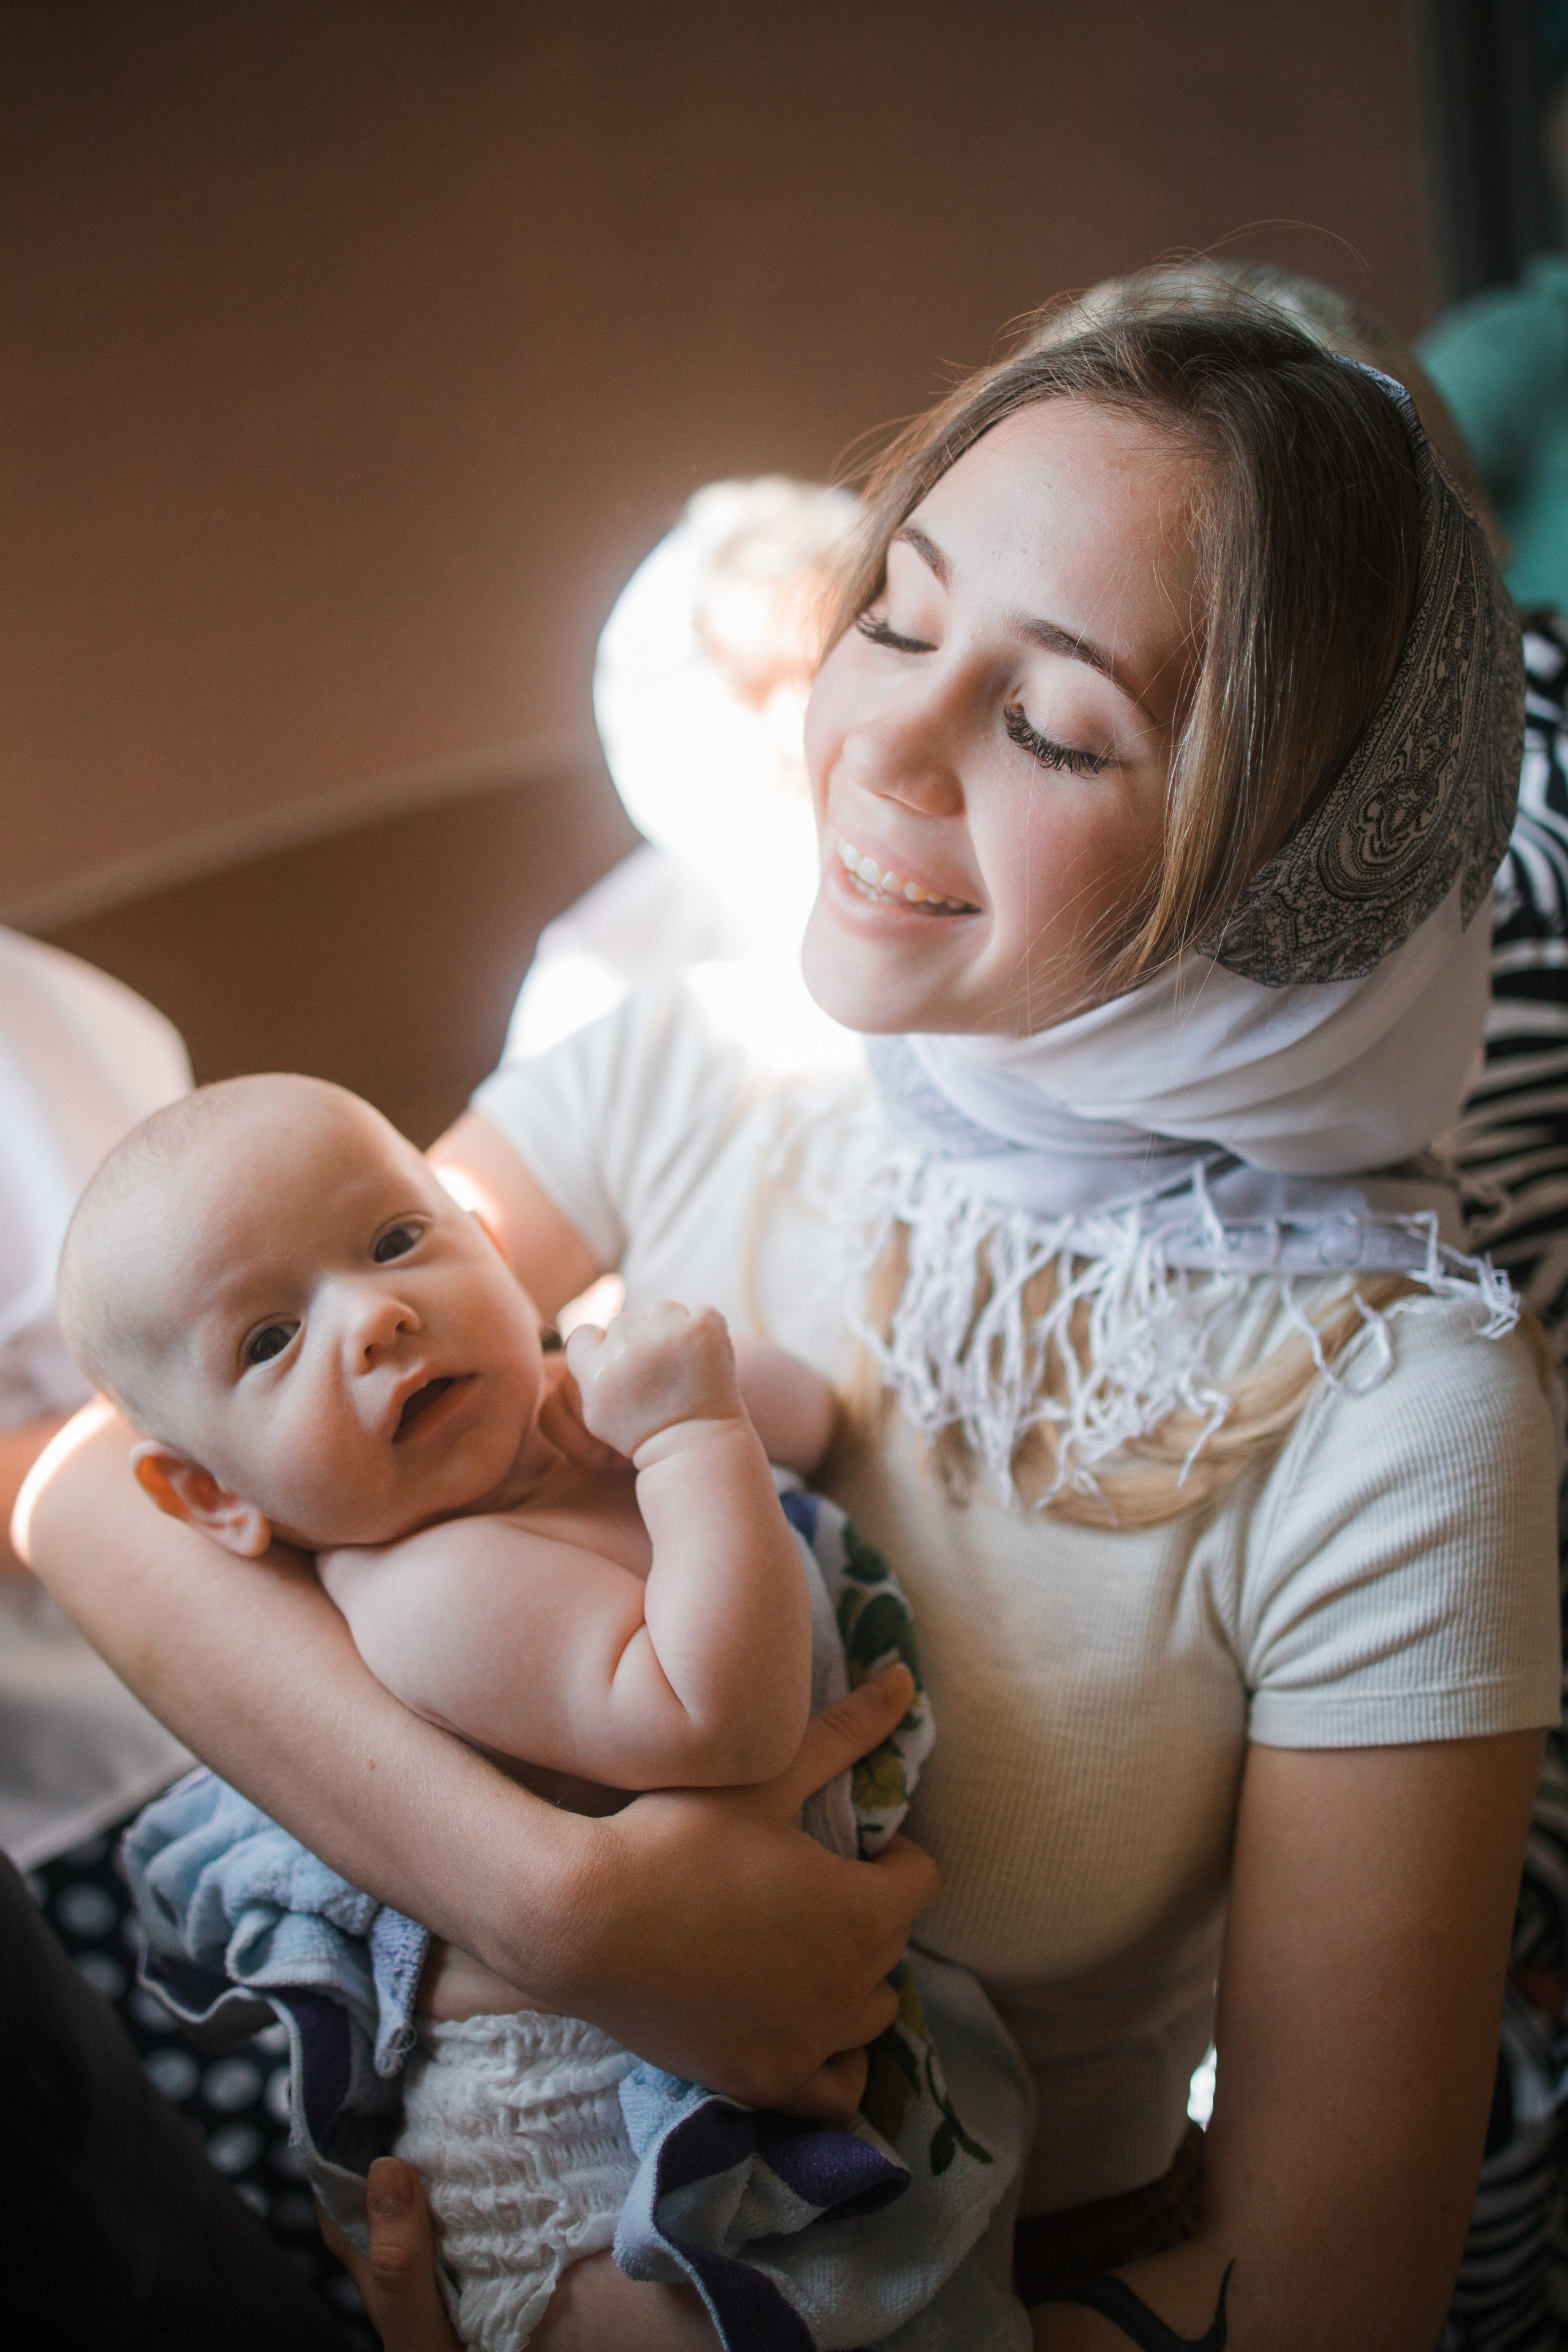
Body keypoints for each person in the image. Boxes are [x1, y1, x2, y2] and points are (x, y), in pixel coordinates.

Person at [20, 301, 1560, 2351]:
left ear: (1295, 852)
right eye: (901, 619)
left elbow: (1315, 2297)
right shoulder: (709, 1059)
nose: (882, 746)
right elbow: (106, 1502)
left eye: (1060, 726)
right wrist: (561, 1910)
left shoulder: (1398, 1406)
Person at [56, 1071, 819, 2350]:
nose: (373, 1316)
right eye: (266, 1341)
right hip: (587, 2178)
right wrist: (690, 1436)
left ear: (490, 1240)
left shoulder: (552, 1444)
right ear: (210, 1499)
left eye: (397, 1241)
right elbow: (721, 1719)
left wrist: (643, 1385)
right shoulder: (431, 1594)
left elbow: (811, 1417)